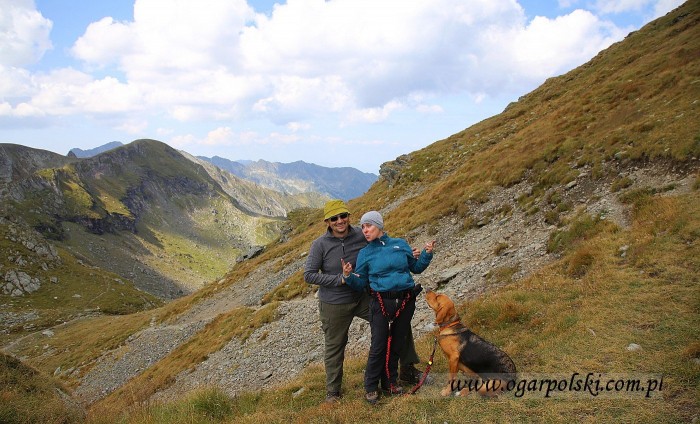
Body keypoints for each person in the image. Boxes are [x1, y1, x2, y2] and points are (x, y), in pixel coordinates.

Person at [304, 200, 423, 404]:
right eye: (334, 218)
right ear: (327, 222)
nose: (340, 221)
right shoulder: (320, 245)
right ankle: (333, 391)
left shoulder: (363, 233)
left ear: (349, 216)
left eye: (343, 216)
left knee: (398, 326)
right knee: (335, 345)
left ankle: (408, 369)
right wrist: (340, 279)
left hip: (364, 297)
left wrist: (403, 255)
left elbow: (383, 247)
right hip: (335, 303)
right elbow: (309, 275)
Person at [342, 210, 435, 404]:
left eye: (369, 226)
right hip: (381, 303)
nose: (365, 231)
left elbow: (415, 268)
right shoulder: (365, 253)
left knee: (397, 343)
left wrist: (426, 254)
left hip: (405, 301)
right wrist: (349, 277)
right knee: (379, 345)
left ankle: (390, 382)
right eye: (363, 227)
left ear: (380, 226)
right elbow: (361, 283)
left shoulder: (400, 244)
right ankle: (370, 386)